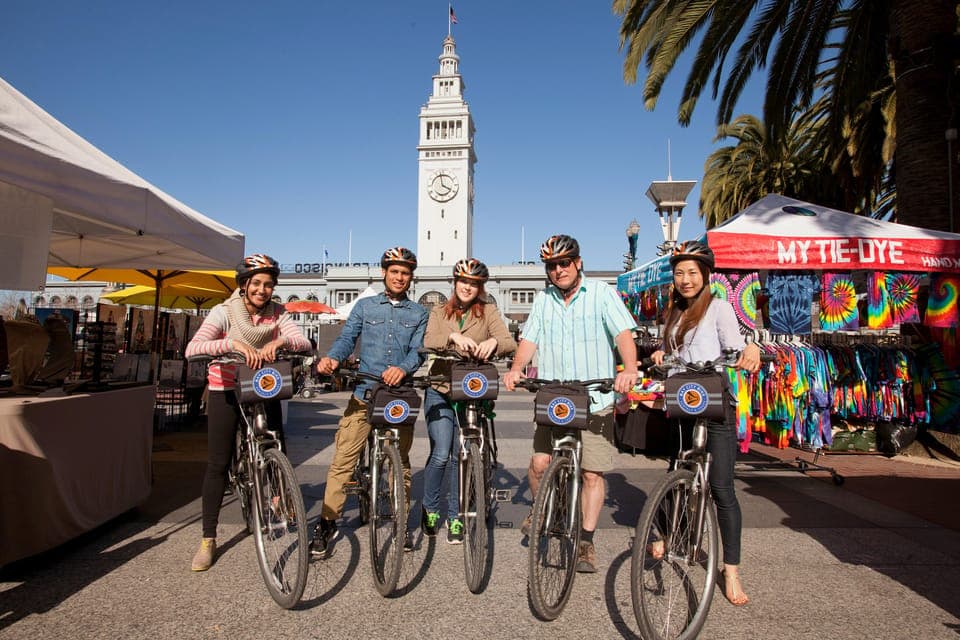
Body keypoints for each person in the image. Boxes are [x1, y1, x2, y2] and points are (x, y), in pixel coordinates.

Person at [503, 234, 638, 573]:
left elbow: (623, 334)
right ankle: (543, 507)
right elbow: (530, 338)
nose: (559, 270)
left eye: (565, 263)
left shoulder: (602, 294)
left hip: (595, 397)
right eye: (552, 266)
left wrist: (630, 370)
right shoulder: (543, 301)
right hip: (554, 396)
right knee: (538, 463)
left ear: (578, 263)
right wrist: (517, 368)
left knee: (592, 473)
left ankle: (586, 542)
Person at [648, 240, 761, 606]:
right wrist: (662, 354)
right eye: (679, 273)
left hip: (714, 403)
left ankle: (731, 570)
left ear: (705, 275)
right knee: (676, 470)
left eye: (692, 273)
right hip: (683, 400)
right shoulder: (674, 314)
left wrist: (751, 350)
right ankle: (665, 530)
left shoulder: (719, 308)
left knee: (722, 489)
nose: (685, 280)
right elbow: (674, 354)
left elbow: (738, 344)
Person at [185, 253, 311, 572]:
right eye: (256, 283)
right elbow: (193, 349)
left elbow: (304, 343)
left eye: (268, 284)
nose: (262, 290)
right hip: (226, 387)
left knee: (276, 440)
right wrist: (232, 345)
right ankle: (208, 539)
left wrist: (280, 340)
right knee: (217, 461)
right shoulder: (224, 312)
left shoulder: (278, 313)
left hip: (263, 384)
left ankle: (280, 496)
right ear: (244, 285)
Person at [310, 247, 428, 558]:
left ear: (411, 277)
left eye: (405, 273)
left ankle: (400, 522)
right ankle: (327, 521)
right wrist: (332, 359)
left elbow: (419, 350)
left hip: (396, 397)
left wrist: (402, 368)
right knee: (343, 460)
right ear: (384, 273)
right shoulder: (364, 307)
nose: (399, 277)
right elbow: (348, 337)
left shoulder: (419, 313)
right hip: (364, 393)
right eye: (394, 271)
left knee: (400, 462)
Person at [421, 258, 517, 543]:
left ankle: (455, 518)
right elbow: (429, 339)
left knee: (459, 456)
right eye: (463, 281)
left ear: (480, 287)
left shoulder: (488, 311)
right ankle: (430, 507)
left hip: (469, 390)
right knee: (441, 454)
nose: (467, 287)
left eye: (473, 283)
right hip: (439, 386)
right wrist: (452, 336)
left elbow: (508, 340)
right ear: (455, 283)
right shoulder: (439, 310)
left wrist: (494, 343)